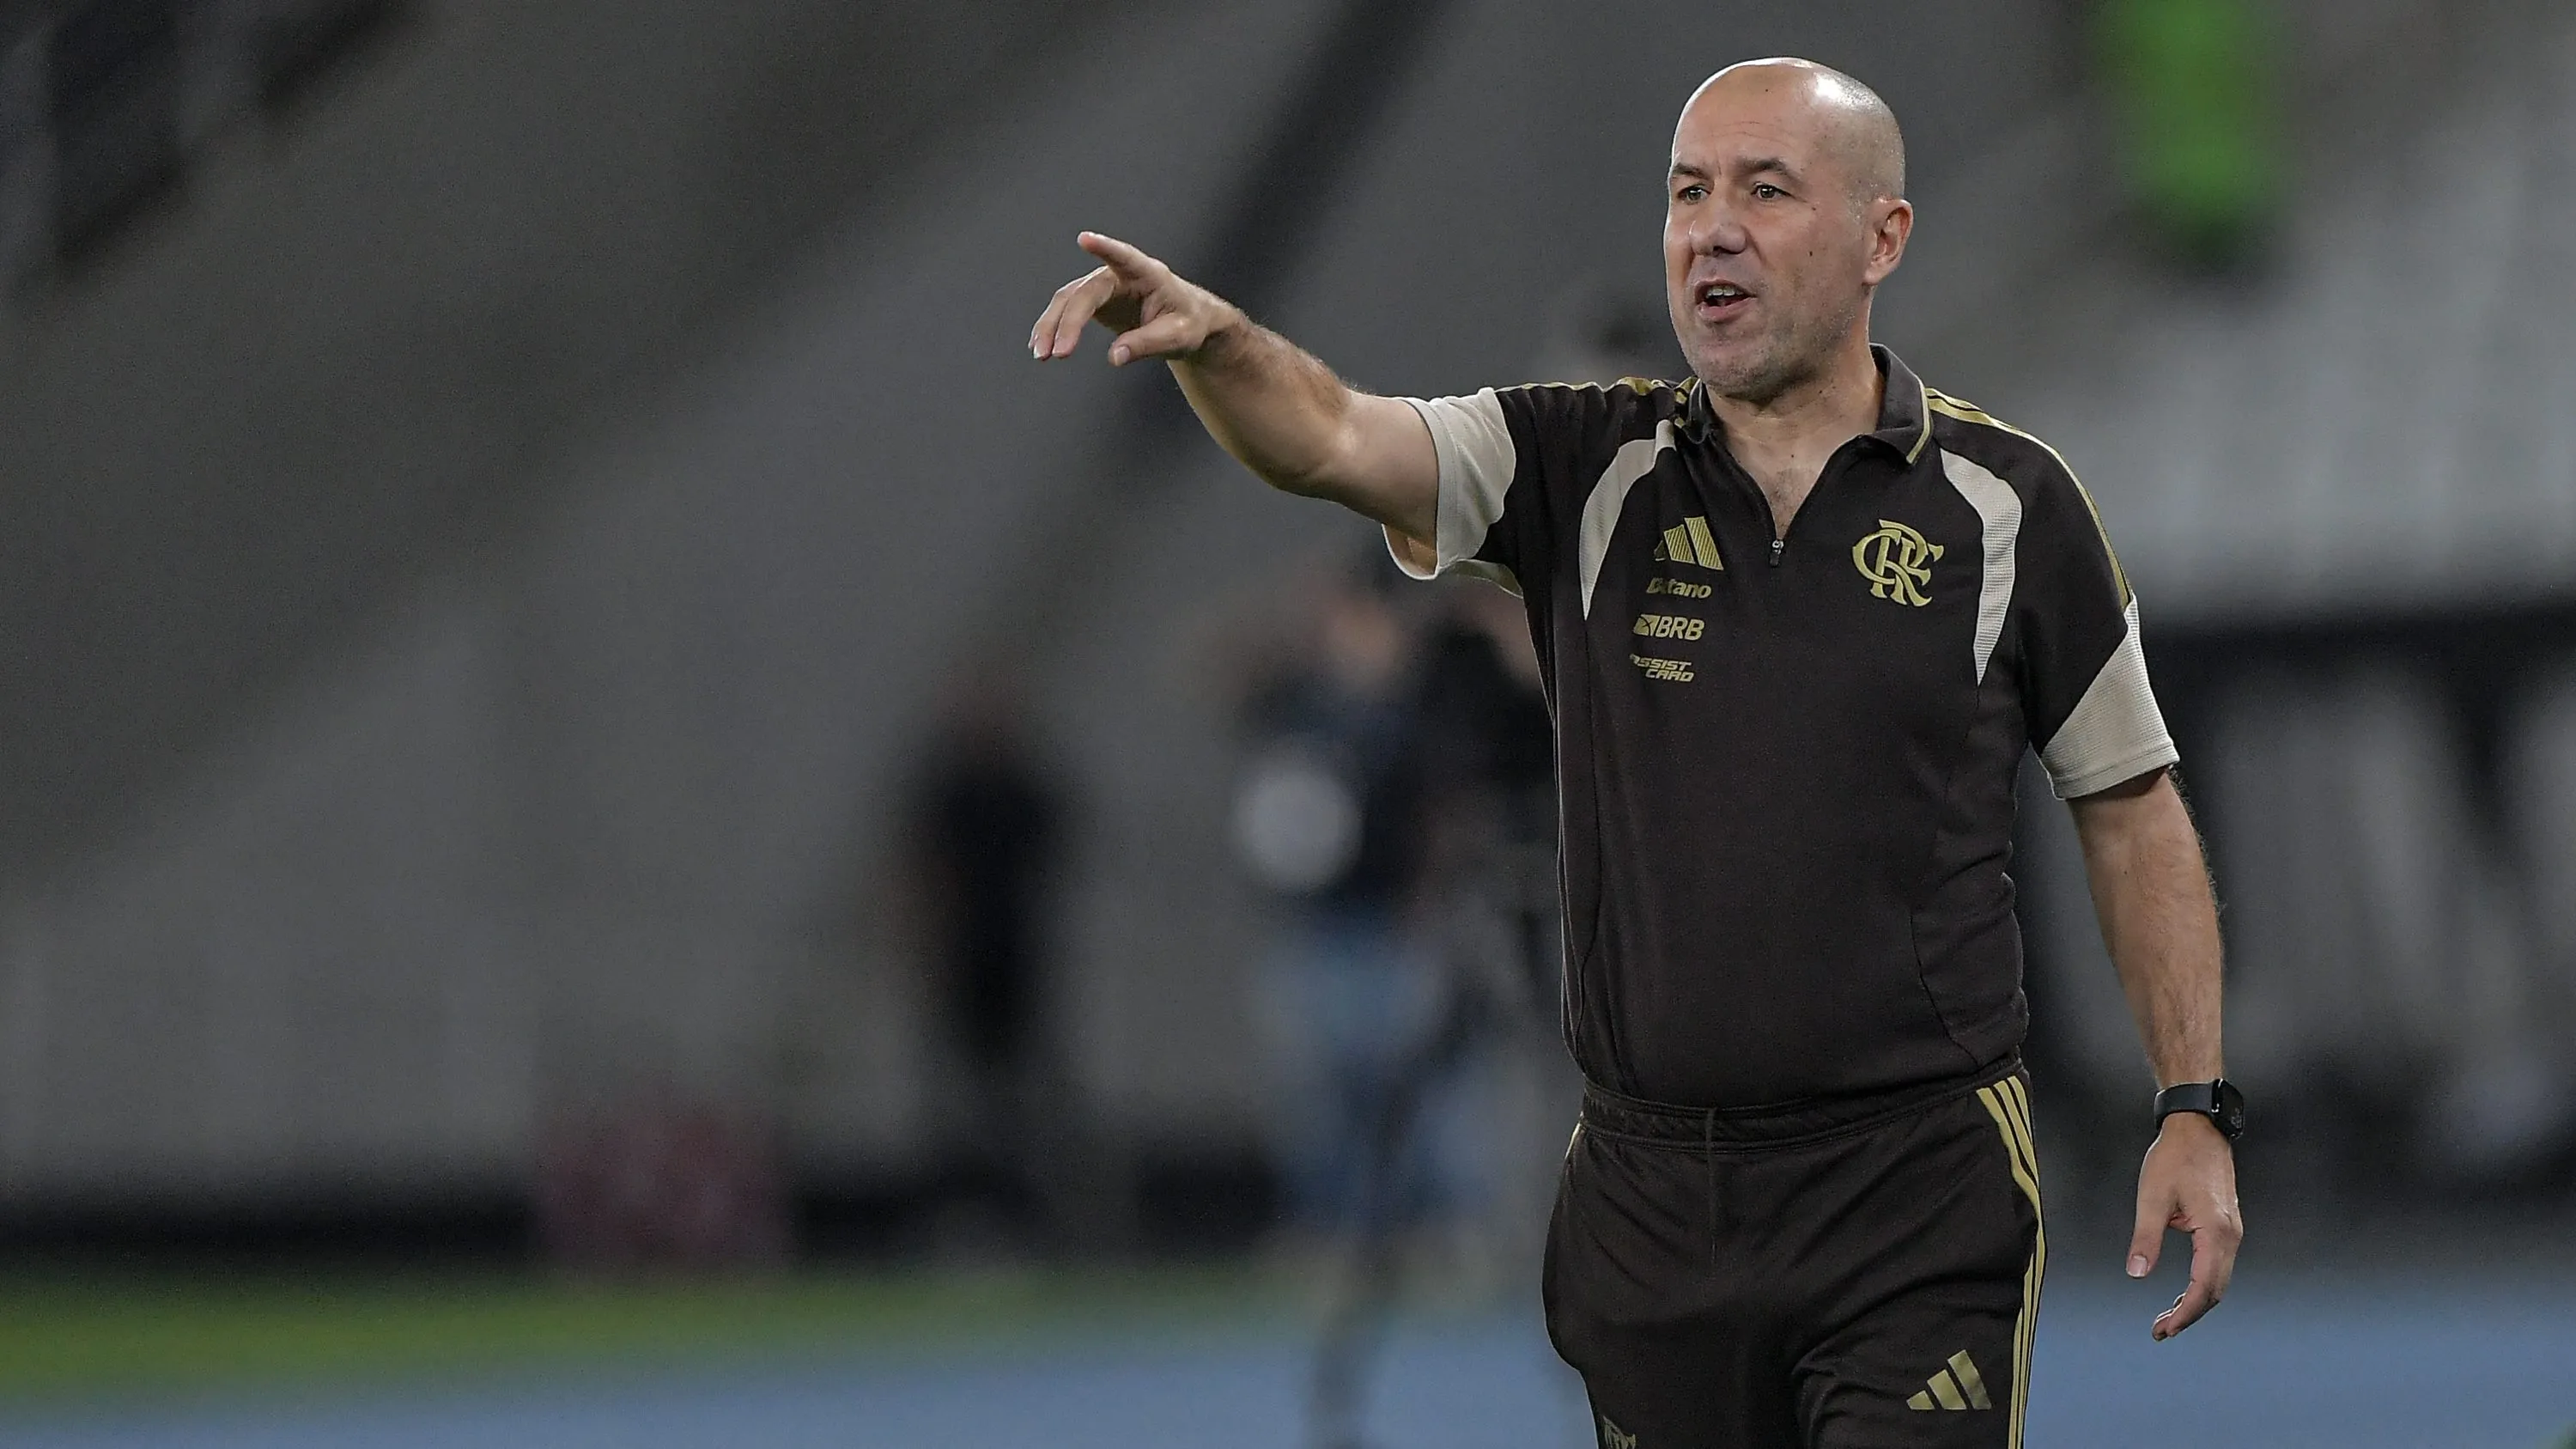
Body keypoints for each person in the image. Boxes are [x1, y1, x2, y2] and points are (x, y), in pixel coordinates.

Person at [1032, 57, 2240, 1448]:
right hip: (1654, 1199)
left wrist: (2193, 1103)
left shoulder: (2012, 506)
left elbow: (2132, 806)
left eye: (1765, 191)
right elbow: (1329, 436)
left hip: (1915, 1185)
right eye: (1687, 193)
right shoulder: (1575, 462)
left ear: (1882, 238)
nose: (1711, 229)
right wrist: (1217, 343)